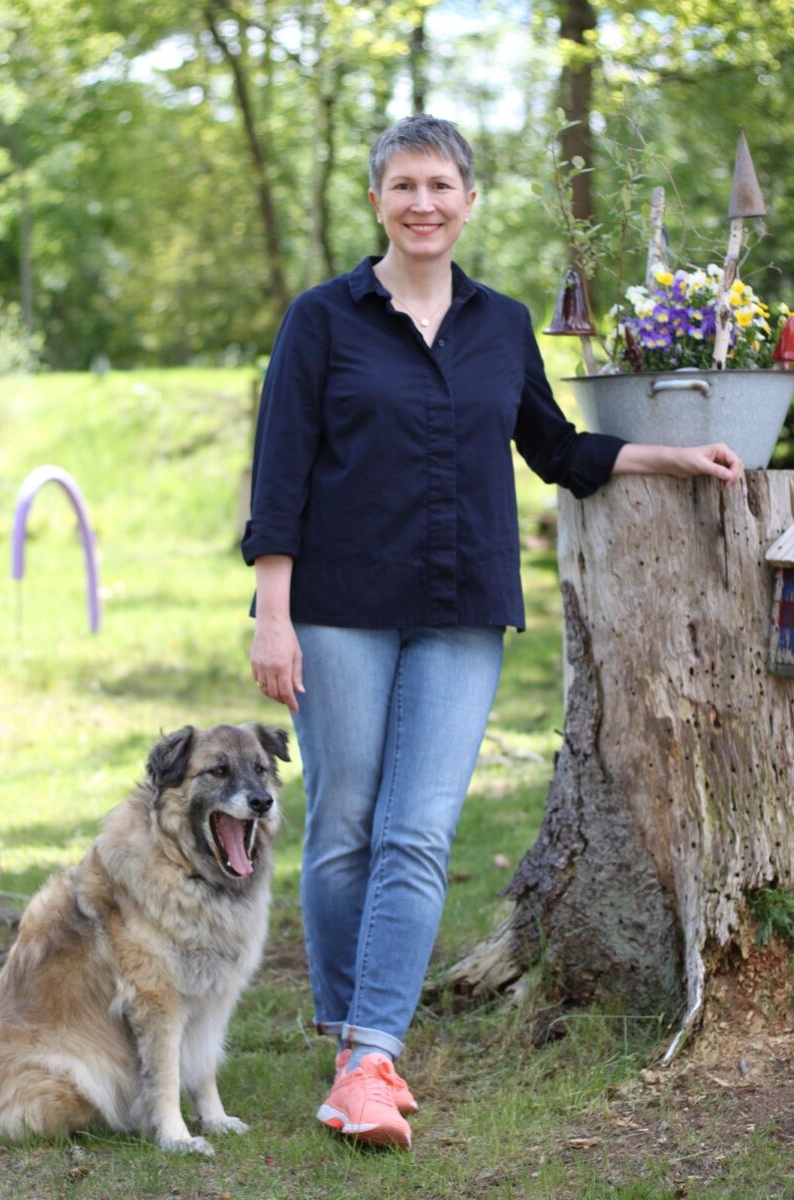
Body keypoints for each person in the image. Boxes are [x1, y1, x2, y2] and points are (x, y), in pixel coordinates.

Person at [241, 114, 743, 1150]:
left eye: (440, 185)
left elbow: (552, 447)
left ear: (468, 200)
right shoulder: (322, 319)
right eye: (403, 185)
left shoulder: (502, 323)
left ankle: (369, 1053)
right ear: (376, 200)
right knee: (345, 830)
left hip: (462, 607)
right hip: (337, 606)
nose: (422, 203)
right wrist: (273, 615)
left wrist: (669, 455)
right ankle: (349, 1033)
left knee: (417, 832)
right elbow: (280, 471)